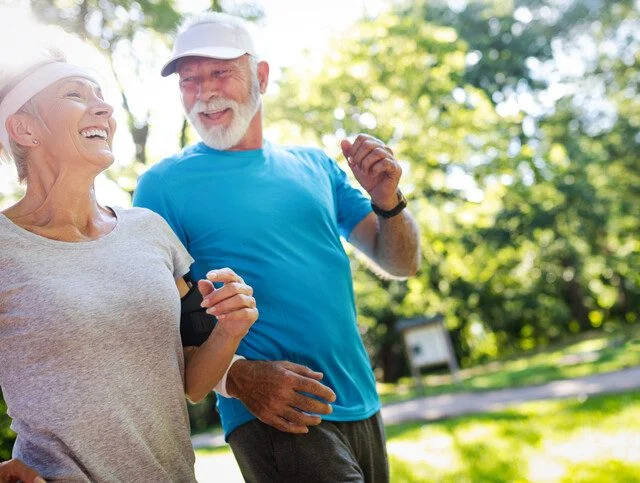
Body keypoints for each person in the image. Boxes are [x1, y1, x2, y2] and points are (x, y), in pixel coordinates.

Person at [133, 12, 421, 483]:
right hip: (275, 412)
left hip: (362, 401)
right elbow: (157, 327)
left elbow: (401, 262)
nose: (204, 91)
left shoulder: (314, 166)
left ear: (261, 77)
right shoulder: (162, 186)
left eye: (220, 72)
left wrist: (388, 202)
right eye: (190, 80)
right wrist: (240, 379)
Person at [0, 48, 258, 482]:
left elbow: (193, 384)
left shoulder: (150, 231)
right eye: (74, 94)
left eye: (101, 95)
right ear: (25, 129)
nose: (103, 107)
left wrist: (230, 329)